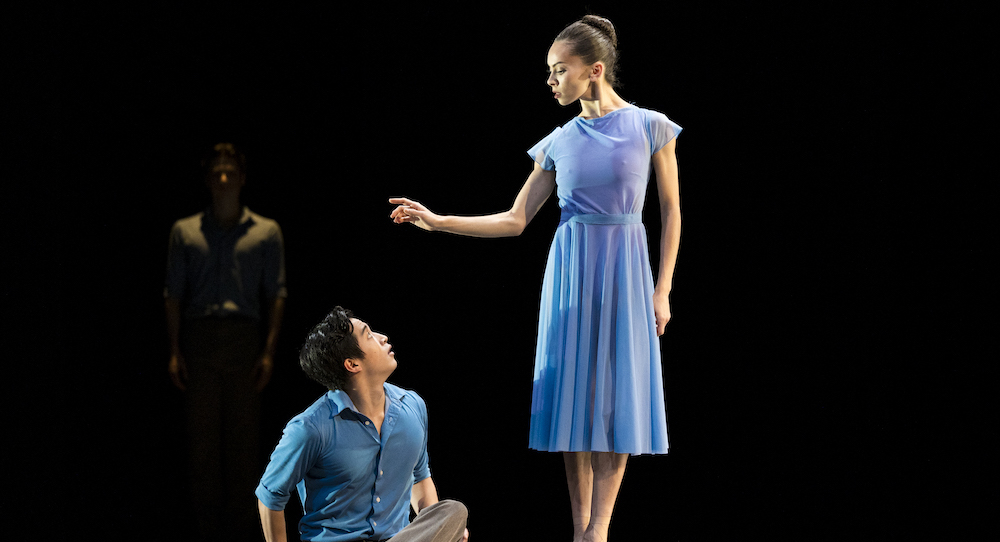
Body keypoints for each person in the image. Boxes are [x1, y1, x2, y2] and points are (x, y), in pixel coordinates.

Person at [388, 15, 681, 542]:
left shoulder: (649, 126)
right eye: (549, 72)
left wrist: (662, 290)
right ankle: (579, 530)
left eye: (558, 71)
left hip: (626, 269)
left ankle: (599, 530)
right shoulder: (559, 140)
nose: (550, 81)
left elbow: (671, 211)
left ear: (593, 71)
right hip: (571, 273)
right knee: (574, 400)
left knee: (618, 399)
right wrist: (436, 220)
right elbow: (515, 219)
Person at [256, 306, 470, 542]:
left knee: (453, 512)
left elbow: (419, 477)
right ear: (352, 364)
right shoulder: (311, 428)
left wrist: (441, 532)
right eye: (369, 335)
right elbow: (270, 496)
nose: (382, 337)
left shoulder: (412, 406)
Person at [164, 142, 287, 542]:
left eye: (229, 171)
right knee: (201, 448)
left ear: (241, 178)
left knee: (243, 446)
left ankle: (238, 531)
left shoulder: (267, 231)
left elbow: (276, 294)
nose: (222, 178)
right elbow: (173, 294)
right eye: (216, 171)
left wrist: (268, 352)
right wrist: (175, 350)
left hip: (242, 342)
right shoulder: (185, 231)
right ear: (207, 179)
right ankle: (205, 530)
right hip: (200, 342)